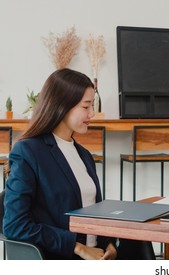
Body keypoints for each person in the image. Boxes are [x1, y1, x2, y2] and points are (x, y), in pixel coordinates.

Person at [2, 68, 117, 260]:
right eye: (86, 106)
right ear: (63, 105)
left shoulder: (84, 155)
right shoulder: (29, 152)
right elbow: (15, 225)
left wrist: (110, 244)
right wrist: (78, 248)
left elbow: (92, 210)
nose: (92, 114)